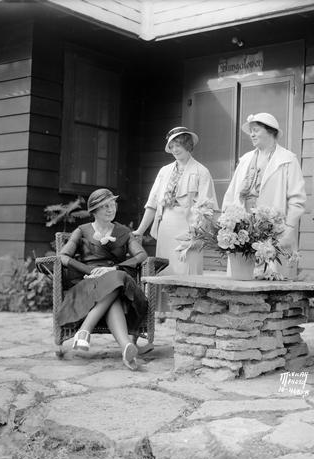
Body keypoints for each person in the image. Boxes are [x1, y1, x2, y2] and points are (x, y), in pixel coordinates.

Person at [57, 188, 148, 371]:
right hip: (88, 283)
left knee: (117, 276)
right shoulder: (82, 231)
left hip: (119, 282)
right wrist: (90, 271)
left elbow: (142, 255)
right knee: (113, 292)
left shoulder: (123, 232)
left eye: (112, 204)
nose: (110, 209)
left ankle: (85, 331)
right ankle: (125, 348)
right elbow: (64, 257)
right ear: (94, 211)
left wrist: (113, 268)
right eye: (105, 206)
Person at [222, 112, 306, 274]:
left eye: (256, 130)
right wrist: (227, 223)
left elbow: (297, 200)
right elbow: (231, 194)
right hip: (243, 230)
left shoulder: (287, 160)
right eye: (250, 130)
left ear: (270, 131)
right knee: (243, 277)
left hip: (274, 231)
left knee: (271, 280)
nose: (251, 134)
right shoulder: (245, 159)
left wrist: (288, 230)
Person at [133, 127, 218, 274]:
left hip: (189, 226)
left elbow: (207, 207)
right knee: (165, 267)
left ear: (187, 145)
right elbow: (153, 203)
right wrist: (140, 230)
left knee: (186, 267)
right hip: (166, 224)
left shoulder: (201, 171)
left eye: (178, 145)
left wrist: (197, 233)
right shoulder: (164, 171)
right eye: (171, 146)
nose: (174, 150)